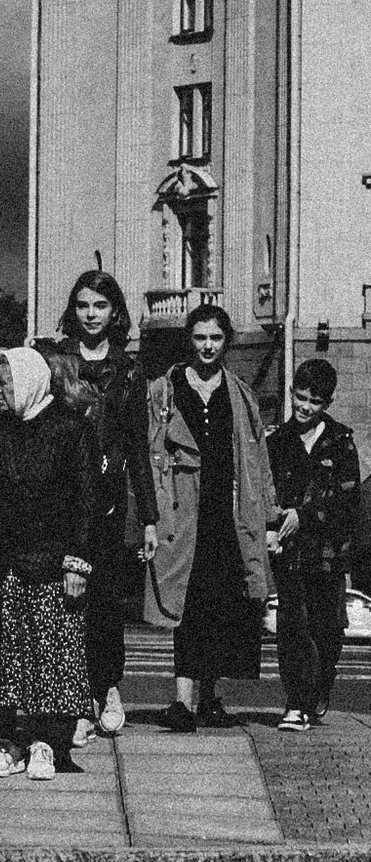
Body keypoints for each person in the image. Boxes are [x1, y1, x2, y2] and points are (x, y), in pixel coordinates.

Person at [0, 347, 98, 780]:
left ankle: (47, 743)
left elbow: (85, 502)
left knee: (50, 657)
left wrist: (77, 563)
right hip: (2, 566)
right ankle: (8, 741)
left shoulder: (71, 428)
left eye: (4, 383)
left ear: (29, 382)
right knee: (5, 655)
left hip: (52, 565)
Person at [145, 301, 274, 729]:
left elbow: (257, 458)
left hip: (226, 513)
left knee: (221, 605)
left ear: (227, 341)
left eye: (216, 338)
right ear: (189, 339)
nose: (207, 346)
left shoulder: (240, 393)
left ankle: (209, 696)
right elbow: (152, 452)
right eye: (200, 337)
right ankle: (182, 700)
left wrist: (265, 515)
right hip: (183, 512)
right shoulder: (164, 389)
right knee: (186, 604)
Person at [55, 268, 154, 735]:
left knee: (105, 601)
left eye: (99, 306)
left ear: (115, 312)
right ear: (72, 310)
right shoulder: (55, 362)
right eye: (83, 305)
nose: (91, 314)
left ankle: (108, 688)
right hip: (63, 498)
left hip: (111, 501)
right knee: (64, 601)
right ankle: (73, 699)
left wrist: (149, 518)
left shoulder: (131, 368)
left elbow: (138, 446)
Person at [267, 356, 362, 731]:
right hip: (289, 553)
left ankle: (319, 690)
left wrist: (303, 516)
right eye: (300, 397)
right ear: (291, 392)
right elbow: (266, 492)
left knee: (326, 626)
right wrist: (272, 525)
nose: (305, 407)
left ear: (328, 404)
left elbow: (347, 499)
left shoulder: (340, 442)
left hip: (329, 554)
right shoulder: (278, 441)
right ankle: (296, 702)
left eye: (315, 401)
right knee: (293, 624)